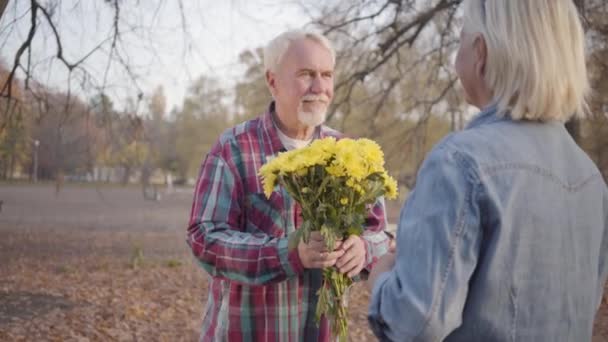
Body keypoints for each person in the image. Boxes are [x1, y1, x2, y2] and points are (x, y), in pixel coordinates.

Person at [367, 0, 608, 341]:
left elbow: (415, 323)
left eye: (461, 41)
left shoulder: (460, 163)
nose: (455, 61)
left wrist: (382, 277)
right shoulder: (590, 178)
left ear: (480, 52)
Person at [187, 29, 391, 341]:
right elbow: (204, 239)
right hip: (248, 332)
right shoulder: (234, 149)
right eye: (306, 74)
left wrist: (364, 249)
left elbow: (381, 233)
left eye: (327, 74)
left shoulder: (349, 151)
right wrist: (288, 252)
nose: (320, 87)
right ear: (272, 81)